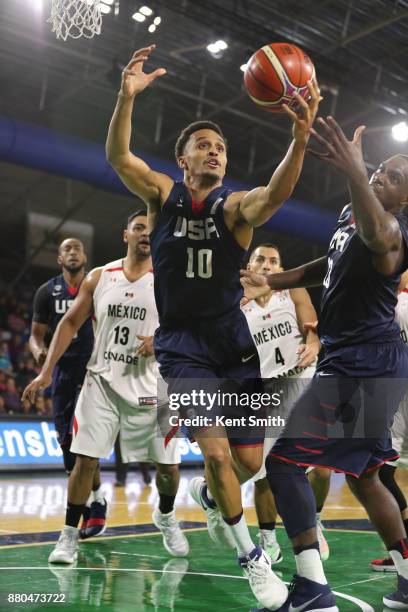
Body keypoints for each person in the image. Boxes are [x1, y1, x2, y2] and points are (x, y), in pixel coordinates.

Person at [105, 44, 320, 610]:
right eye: (204, 146)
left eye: (221, 147)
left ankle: (206, 495)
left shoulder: (233, 208)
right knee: (221, 457)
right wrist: (126, 99)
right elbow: (119, 157)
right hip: (183, 350)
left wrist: (299, 138)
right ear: (184, 160)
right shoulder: (162, 195)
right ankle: (252, 561)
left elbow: (274, 196)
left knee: (250, 462)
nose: (215, 153)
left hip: (233, 344)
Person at [242, 119, 408, 611]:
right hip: (365, 359)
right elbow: (330, 262)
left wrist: (357, 174)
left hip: (364, 362)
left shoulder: (396, 232)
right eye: (379, 169)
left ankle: (313, 590)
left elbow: (378, 238)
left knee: (284, 462)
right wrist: (275, 281)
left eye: (394, 177)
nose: (381, 176)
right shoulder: (351, 214)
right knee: (366, 475)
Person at [23, 212, 188, 564]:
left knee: (168, 470)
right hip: (102, 381)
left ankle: (167, 515)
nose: (146, 234)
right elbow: (69, 323)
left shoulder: (170, 281)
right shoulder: (100, 277)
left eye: (151, 230)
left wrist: (161, 341)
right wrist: (46, 371)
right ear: (125, 234)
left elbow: (188, 330)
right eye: (139, 228)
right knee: (84, 461)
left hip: (155, 386)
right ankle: (68, 536)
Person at [242, 243, 330, 565]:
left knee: (320, 469)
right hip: (266, 391)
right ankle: (267, 536)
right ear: (249, 265)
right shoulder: (238, 306)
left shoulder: (292, 292)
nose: (267, 265)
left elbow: (311, 327)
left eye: (274, 261)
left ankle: (315, 519)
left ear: (281, 269)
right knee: (263, 472)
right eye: (261, 259)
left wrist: (312, 341)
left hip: (303, 380)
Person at [28, 238, 106, 538]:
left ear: (85, 256)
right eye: (66, 250)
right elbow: (35, 336)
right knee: (67, 445)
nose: (73, 252)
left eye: (77, 248)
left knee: (85, 441)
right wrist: (39, 353)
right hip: (61, 372)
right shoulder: (46, 292)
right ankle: (89, 499)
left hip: (93, 369)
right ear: (59, 259)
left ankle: (96, 504)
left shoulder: (99, 285)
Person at [371, 269, 408, 573]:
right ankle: (403, 552)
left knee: (380, 476)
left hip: (397, 402)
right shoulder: (392, 305)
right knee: (383, 475)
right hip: (396, 403)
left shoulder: (394, 306)